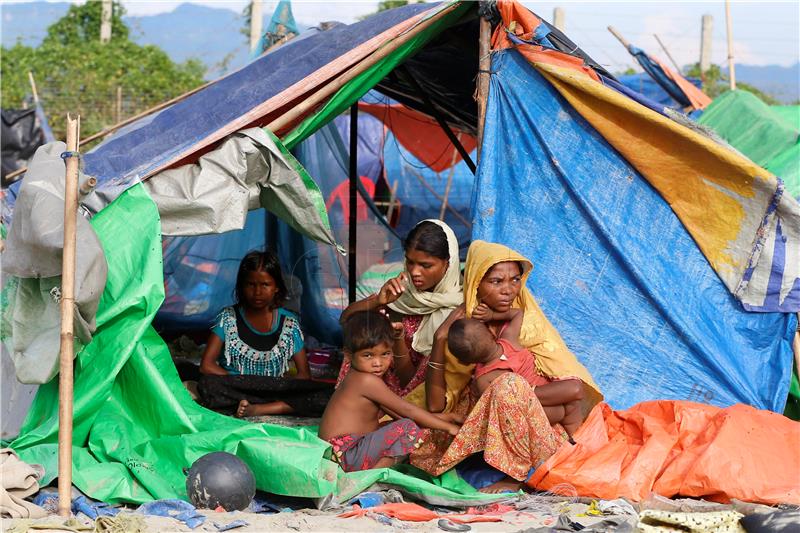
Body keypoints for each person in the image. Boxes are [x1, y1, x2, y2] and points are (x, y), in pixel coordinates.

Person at [411, 240, 603, 493]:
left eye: (514, 280)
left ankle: (566, 449)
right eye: (496, 281)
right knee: (507, 386)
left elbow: (565, 377)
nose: (508, 290)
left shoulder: (524, 320)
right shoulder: (464, 330)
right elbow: (437, 405)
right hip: (489, 424)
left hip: (542, 421)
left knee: (523, 389)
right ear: (477, 282)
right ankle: (515, 474)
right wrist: (439, 339)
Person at [337, 220, 471, 407]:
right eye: (410, 262)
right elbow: (346, 321)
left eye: (425, 265)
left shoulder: (459, 308)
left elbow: (410, 381)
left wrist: (399, 341)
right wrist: (377, 301)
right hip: (378, 391)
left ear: (448, 263)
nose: (415, 272)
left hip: (422, 400)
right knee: (364, 335)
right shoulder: (400, 295)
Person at [319, 311, 461, 472]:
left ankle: (373, 473)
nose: (378, 363)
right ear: (349, 355)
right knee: (407, 428)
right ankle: (370, 478)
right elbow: (408, 410)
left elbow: (399, 414)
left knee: (403, 425)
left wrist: (447, 417)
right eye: (368, 355)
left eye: (385, 354)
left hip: (338, 454)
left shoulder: (358, 377)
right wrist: (448, 427)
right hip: (344, 454)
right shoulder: (366, 381)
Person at [197, 250, 333, 417]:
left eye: (265, 285)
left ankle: (263, 408)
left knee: (330, 395)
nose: (257, 292)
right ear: (242, 285)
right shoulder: (228, 317)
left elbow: (304, 374)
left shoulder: (288, 322)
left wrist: (281, 386)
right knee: (207, 385)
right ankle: (271, 405)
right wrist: (244, 382)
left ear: (276, 287)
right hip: (236, 386)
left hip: (273, 389)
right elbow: (206, 365)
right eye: (251, 284)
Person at [447, 310, 585, 438]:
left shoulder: (483, 379)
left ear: (463, 362)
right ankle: (577, 438)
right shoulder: (509, 340)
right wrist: (492, 315)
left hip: (542, 400)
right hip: (532, 405)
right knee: (573, 393)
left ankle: (575, 440)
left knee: (568, 404)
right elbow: (518, 313)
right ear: (492, 333)